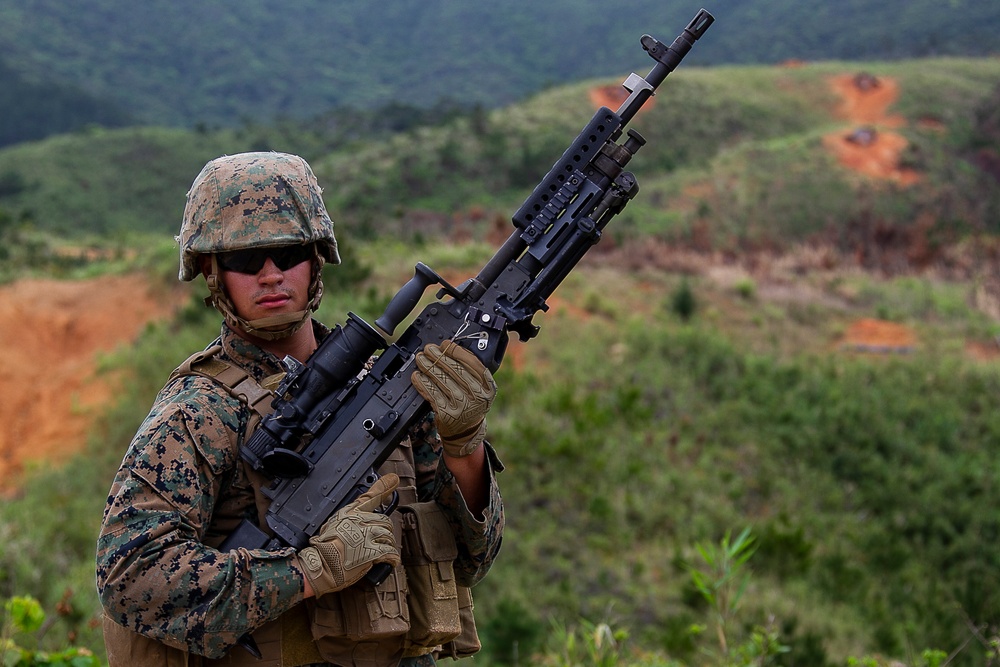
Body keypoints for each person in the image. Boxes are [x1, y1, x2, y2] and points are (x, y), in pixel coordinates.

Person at [96, 151, 504, 667]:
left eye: (288, 253)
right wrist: (310, 572)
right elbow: (129, 577)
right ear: (212, 272)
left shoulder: (384, 392)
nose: (270, 276)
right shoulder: (198, 413)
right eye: (246, 260)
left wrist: (464, 446)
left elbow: (472, 561)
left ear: (315, 260)